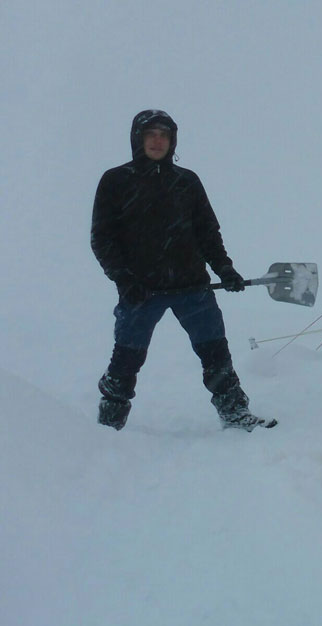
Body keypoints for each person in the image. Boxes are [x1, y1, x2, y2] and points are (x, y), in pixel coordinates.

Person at [91, 109, 276, 431]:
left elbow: (207, 232)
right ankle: (108, 424)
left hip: (193, 289)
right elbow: (102, 239)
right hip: (141, 292)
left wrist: (225, 268)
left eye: (164, 135)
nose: (157, 141)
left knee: (216, 355)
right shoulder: (116, 181)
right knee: (126, 360)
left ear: (172, 140)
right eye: (150, 134)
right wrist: (124, 279)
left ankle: (235, 414)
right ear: (138, 138)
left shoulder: (186, 181)